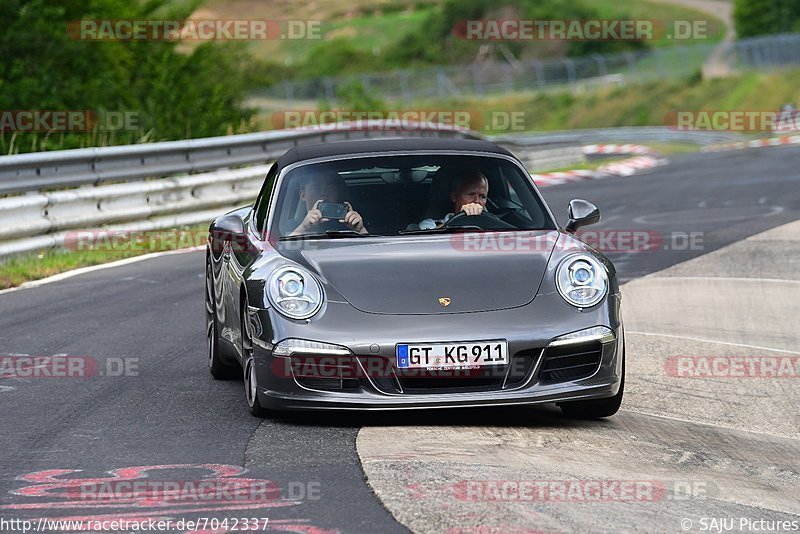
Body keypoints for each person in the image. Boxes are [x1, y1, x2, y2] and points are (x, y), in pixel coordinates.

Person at [286, 173, 368, 236]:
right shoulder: (288, 227)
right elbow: (282, 252)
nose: (323, 193)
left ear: (337, 194)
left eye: (330, 189)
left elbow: (370, 252)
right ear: (303, 195)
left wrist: (360, 230)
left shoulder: (347, 225)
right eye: (316, 188)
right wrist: (304, 228)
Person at [418, 170, 489, 229]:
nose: (477, 201)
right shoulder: (430, 224)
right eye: (471, 194)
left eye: (482, 196)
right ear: (454, 196)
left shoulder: (492, 225)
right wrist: (461, 219)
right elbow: (428, 243)